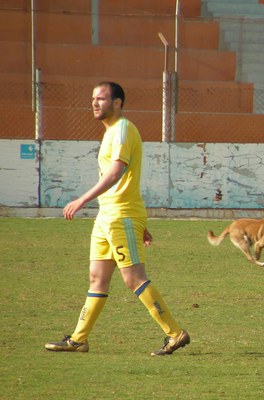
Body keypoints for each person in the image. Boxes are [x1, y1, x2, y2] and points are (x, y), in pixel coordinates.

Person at [45, 82, 190, 356]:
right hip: (108, 217)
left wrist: (81, 200)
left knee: (133, 279)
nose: (95, 103)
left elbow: (116, 173)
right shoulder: (111, 132)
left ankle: (175, 333)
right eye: (93, 99)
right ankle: (78, 339)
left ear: (118, 103)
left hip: (120, 215)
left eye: (101, 98)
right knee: (97, 278)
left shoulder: (123, 129)